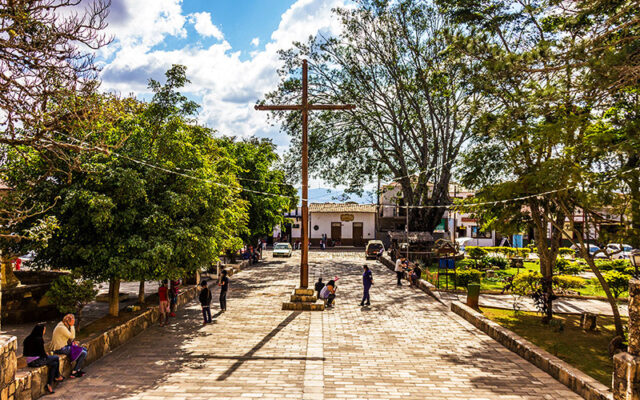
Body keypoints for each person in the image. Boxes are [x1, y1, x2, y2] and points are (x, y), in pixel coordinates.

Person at [23, 324, 63, 394]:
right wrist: (46, 354)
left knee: (54, 364)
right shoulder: (39, 339)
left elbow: (26, 353)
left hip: (29, 361)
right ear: (41, 330)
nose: (44, 331)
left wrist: (43, 354)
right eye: (44, 330)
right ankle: (57, 376)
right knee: (56, 358)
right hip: (36, 361)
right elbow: (42, 354)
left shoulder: (28, 338)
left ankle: (49, 385)